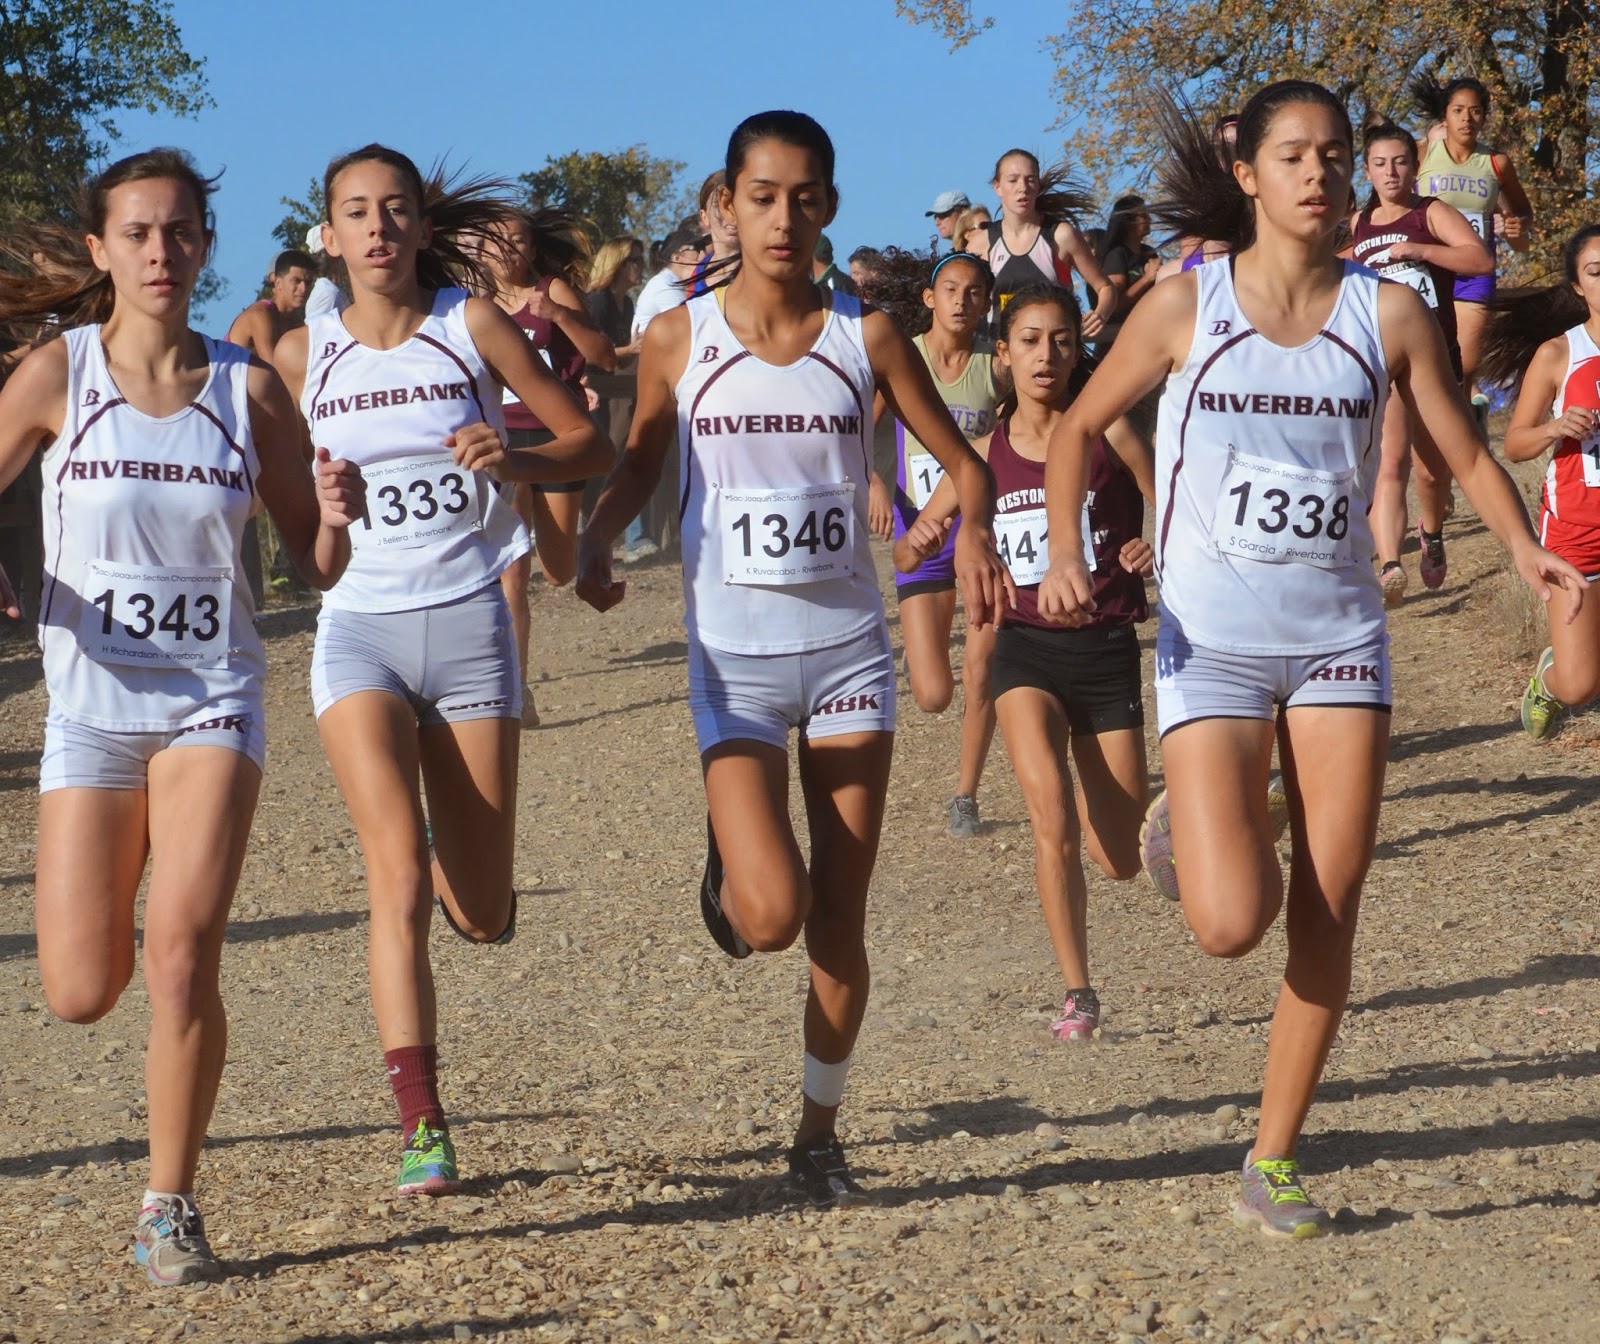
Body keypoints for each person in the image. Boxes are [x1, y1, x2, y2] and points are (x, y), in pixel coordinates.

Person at [1038, 82, 1584, 1239]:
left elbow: (1461, 446)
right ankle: (1195, 826)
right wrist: (1063, 555)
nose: (1320, 174)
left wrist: (1528, 555)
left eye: (1335, 156)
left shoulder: (1386, 314)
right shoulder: (1184, 306)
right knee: (1230, 922)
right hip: (1213, 642)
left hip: (1340, 639)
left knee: (1331, 907)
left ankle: (1271, 1159)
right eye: (1295, 156)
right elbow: (1082, 423)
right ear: (1248, 173)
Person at [574, 109, 1009, 1206]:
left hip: (850, 654)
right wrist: (588, 537)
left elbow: (965, 465)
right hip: (736, 662)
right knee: (769, 915)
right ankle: (733, 856)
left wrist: (961, 542)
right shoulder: (681, 339)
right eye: (759, 196)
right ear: (726, 202)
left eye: (802, 196)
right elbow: (635, 467)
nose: (781, 216)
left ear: (827, 205)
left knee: (841, 914)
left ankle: (818, 1131)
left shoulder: (863, 339)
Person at [0, 148, 363, 1284]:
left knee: (181, 953)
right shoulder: (55, 376)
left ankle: (170, 1203)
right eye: (140, 233)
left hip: (211, 697)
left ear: (206, 244)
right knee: (78, 989)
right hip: (92, 711)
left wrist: (338, 520)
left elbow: (315, 567)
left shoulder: (247, 390)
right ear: (103, 251)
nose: (163, 252)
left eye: (183, 232)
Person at [274, 144, 611, 1197]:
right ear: (327, 237)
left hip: (470, 624)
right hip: (360, 631)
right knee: (397, 876)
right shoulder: (301, 355)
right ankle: (422, 1122)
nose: (377, 229)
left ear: (422, 227)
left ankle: (476, 882)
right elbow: (294, 535)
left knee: (476, 903)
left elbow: (589, 444)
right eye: (355, 213)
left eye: (395, 211)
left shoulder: (471, 326)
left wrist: (514, 459)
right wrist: (320, 514)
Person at [897, 281, 1153, 1037]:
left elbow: (1176, 504)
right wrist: (915, 540)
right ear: (1002, 356)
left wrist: (1152, 545)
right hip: (1024, 651)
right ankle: (1078, 992)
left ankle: (1136, 819)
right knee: (1051, 820)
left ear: (1080, 350)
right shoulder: (982, 455)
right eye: (1031, 341)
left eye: (1063, 340)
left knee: (1120, 859)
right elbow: (926, 530)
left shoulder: (1113, 437)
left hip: (1106, 649)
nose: (1048, 355)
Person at [869, 247, 1000, 836]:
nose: (961, 301)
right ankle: (917, 652)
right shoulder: (905, 356)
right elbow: (855, 429)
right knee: (931, 695)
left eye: (974, 292)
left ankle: (964, 795)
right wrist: (875, 480)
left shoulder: (994, 367)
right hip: (916, 532)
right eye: (950, 289)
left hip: (976, 532)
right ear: (929, 297)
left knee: (981, 669)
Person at [1347, 119, 1492, 603]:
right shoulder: (1358, 224)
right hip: (1382, 360)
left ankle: (1431, 530)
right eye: (1380, 164)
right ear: (1366, 170)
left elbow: (1480, 260)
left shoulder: (1431, 213)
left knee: (1431, 470)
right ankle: (1390, 565)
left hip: (1433, 357)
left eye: (1400, 162)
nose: (1391, 172)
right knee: (1390, 463)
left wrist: (1419, 250)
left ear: (1414, 167)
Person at [481, 209, 616, 727]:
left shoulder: (552, 289)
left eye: (515, 241)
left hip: (560, 435)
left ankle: (581, 549)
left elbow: (603, 356)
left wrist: (558, 316)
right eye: (493, 240)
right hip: (503, 438)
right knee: (510, 568)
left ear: (532, 249)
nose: (504, 250)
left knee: (557, 571)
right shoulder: (471, 302)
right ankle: (516, 691)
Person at [1481, 225, 1600, 740]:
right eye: (1596, 272)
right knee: (1579, 688)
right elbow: (1514, 444)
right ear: (1578, 286)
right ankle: (1550, 680)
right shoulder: (1559, 353)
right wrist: (1555, 427)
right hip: (1578, 533)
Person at [1411, 74, 1534, 408]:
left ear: (1485, 115)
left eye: (1475, 111)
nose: (1467, 119)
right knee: (1423, 363)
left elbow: (1522, 211)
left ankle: (1467, 431)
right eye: (1458, 110)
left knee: (1462, 367)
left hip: (1474, 273)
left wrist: (1516, 227)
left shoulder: (1496, 162)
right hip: (1427, 270)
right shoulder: (1421, 155)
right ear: (1445, 115)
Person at [226, 249, 318, 598]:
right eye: (295, 281)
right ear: (275, 282)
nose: (303, 288)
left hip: (261, 417)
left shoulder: (297, 325)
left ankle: (290, 568)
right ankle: (282, 571)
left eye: (308, 281)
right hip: (233, 416)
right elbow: (275, 375)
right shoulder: (260, 316)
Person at [984, 150, 1117, 337]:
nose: (1023, 188)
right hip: (998, 355)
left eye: (1030, 180)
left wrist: (1100, 315)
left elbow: (1106, 288)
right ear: (997, 187)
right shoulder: (982, 242)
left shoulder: (1061, 236)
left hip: (1054, 355)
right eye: (1013, 180)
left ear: (1038, 185)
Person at [587, 237, 652, 559]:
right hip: (594, 394)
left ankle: (624, 537)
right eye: (635, 260)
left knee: (624, 458)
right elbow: (586, 354)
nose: (642, 267)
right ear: (618, 264)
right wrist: (630, 350)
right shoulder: (596, 303)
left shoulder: (626, 305)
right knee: (604, 463)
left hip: (617, 393)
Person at [1090, 196, 1159, 349]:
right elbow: (1115, 305)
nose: (1149, 219)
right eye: (1144, 215)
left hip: (1148, 335)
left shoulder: (1148, 252)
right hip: (1117, 342)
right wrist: (1147, 278)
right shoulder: (1117, 255)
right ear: (1129, 221)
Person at [632, 224, 706, 342]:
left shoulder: (670, 282)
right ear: (677, 257)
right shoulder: (666, 286)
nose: (703, 254)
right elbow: (693, 327)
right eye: (696, 248)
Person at [689, 170, 740, 297]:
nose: (730, 214)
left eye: (735, 203)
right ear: (704, 216)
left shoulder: (763, 268)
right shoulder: (696, 275)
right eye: (719, 206)